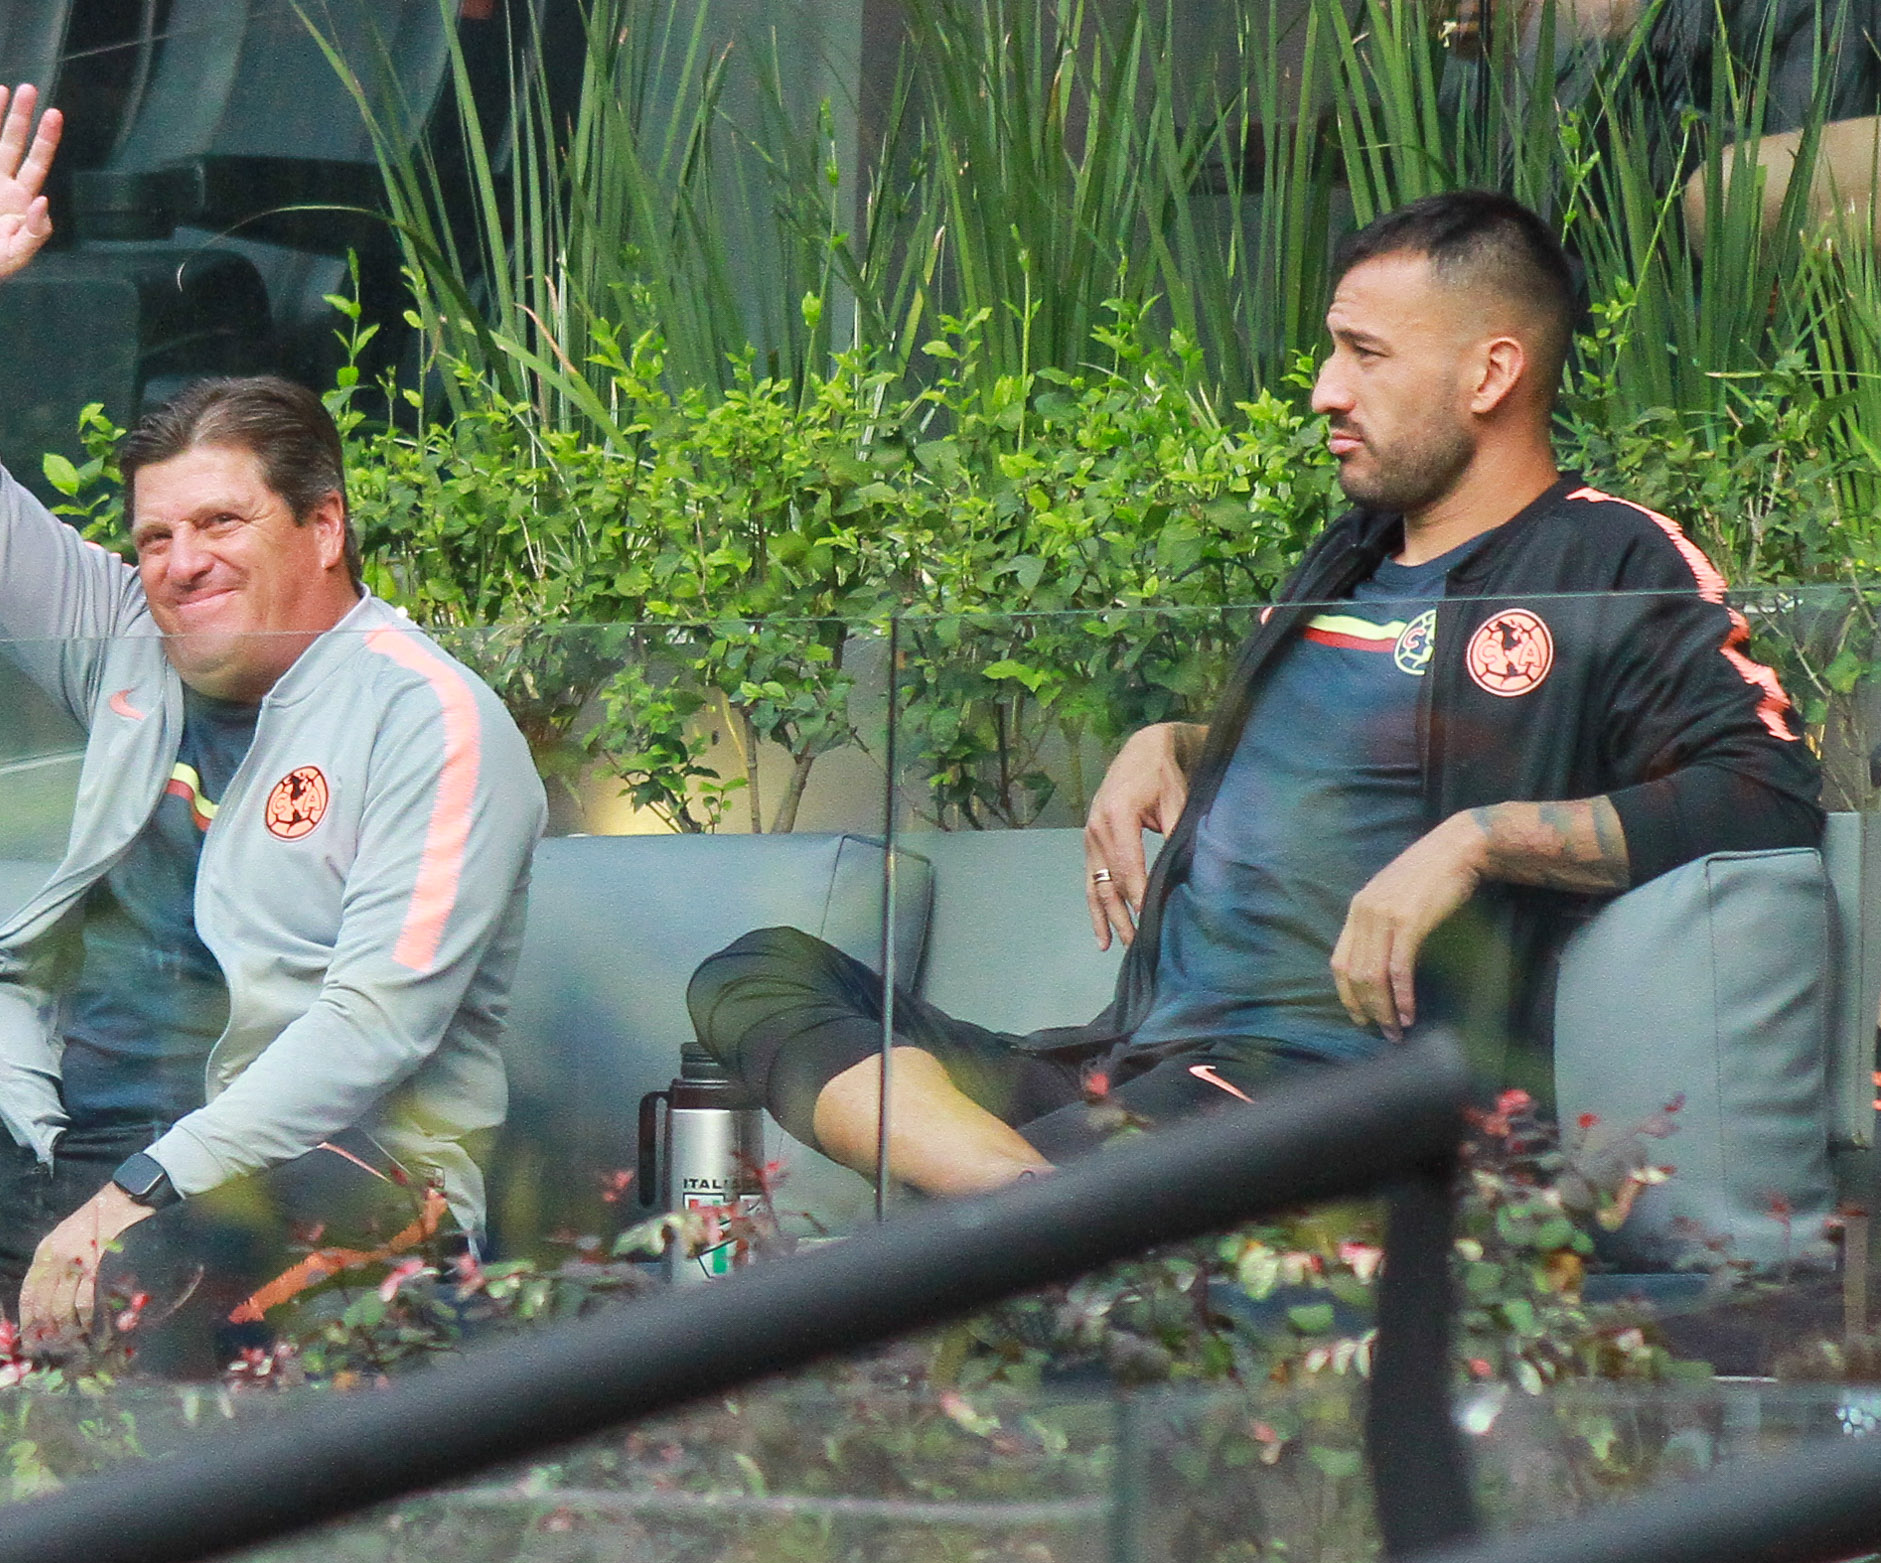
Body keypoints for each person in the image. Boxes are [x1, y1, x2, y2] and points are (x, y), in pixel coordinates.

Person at [689, 189, 1822, 1197]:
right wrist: (1179, 739)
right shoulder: (1345, 561)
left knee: (968, 1244)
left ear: (1489, 374)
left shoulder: (1604, 561)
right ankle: (1020, 1201)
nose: (1324, 391)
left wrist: (1478, 840)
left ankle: (1019, 1223)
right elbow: (1359, 737)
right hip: (1138, 1065)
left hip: (1325, 1089)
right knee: (755, 970)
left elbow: (1764, 789)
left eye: (1363, 354)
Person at [0, 84, 543, 1379]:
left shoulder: (430, 717)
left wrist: (144, 1189)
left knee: (148, 1294)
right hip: (76, 1161)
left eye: (220, 523)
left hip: (333, 1178)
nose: (179, 563)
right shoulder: (127, 642)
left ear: (322, 527)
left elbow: (372, 1027)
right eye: (153, 536)